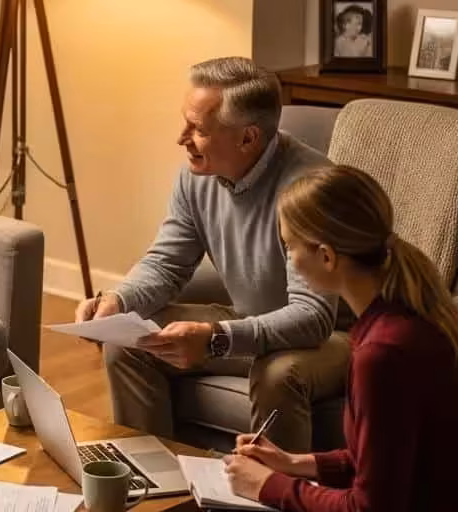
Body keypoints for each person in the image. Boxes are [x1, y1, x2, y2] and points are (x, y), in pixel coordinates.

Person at [222, 165, 458, 512]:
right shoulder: (408, 318)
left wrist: (268, 485)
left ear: (327, 256)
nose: (289, 259)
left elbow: (370, 507)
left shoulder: (383, 353)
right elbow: (385, 459)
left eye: (289, 246)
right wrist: (294, 464)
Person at [75, 57, 347, 452]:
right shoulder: (195, 176)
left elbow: (313, 317)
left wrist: (218, 338)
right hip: (253, 319)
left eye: (198, 128)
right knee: (132, 339)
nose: (181, 137)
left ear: (248, 138)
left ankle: (274, 496)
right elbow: (166, 262)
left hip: (336, 337)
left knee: (277, 373)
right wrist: (118, 301)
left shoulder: (310, 189)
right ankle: (160, 484)